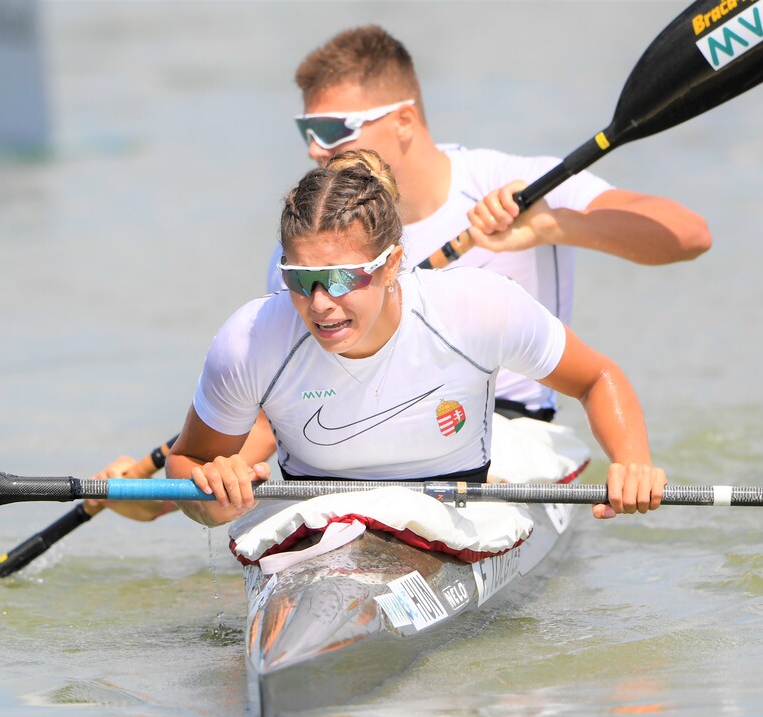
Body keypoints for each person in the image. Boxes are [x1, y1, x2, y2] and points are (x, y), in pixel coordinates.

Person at [166, 150, 666, 527]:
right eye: (298, 279)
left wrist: (633, 463)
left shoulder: (477, 308)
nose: (318, 302)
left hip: (458, 515)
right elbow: (185, 462)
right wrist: (211, 499)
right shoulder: (250, 339)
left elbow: (597, 378)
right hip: (319, 522)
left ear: (391, 266)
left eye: (342, 278)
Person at [268, 25, 711, 421]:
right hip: (377, 428)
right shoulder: (310, 250)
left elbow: (689, 234)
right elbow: (286, 375)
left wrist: (555, 227)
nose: (314, 151)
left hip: (515, 429)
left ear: (404, 121)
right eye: (306, 132)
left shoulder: (512, 184)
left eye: (331, 131)